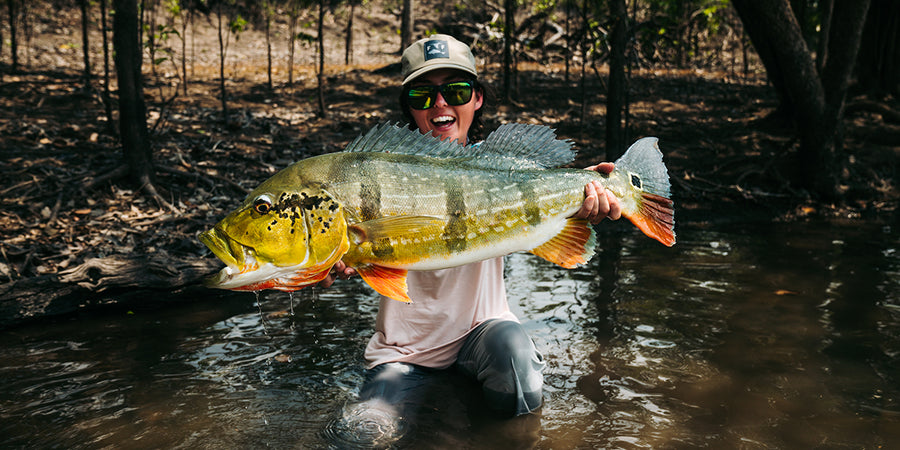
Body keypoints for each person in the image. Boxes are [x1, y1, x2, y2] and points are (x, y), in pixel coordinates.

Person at [324, 34, 621, 438]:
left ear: (477, 98)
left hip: (482, 338)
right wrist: (323, 263)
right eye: (423, 95)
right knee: (364, 434)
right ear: (409, 106)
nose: (440, 103)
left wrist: (588, 193)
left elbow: (544, 191)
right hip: (403, 352)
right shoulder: (375, 174)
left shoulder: (502, 167)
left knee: (517, 372)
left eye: (456, 90)